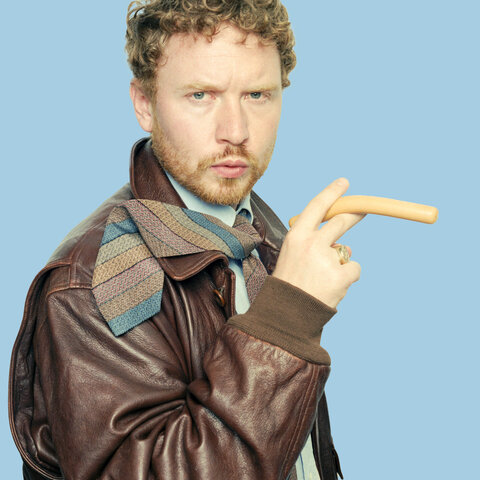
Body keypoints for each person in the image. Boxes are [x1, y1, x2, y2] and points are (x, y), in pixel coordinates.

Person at [9, 1, 363, 479]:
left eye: (257, 94)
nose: (236, 132)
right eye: (201, 95)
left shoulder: (259, 230)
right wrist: (289, 317)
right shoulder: (93, 281)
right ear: (144, 104)